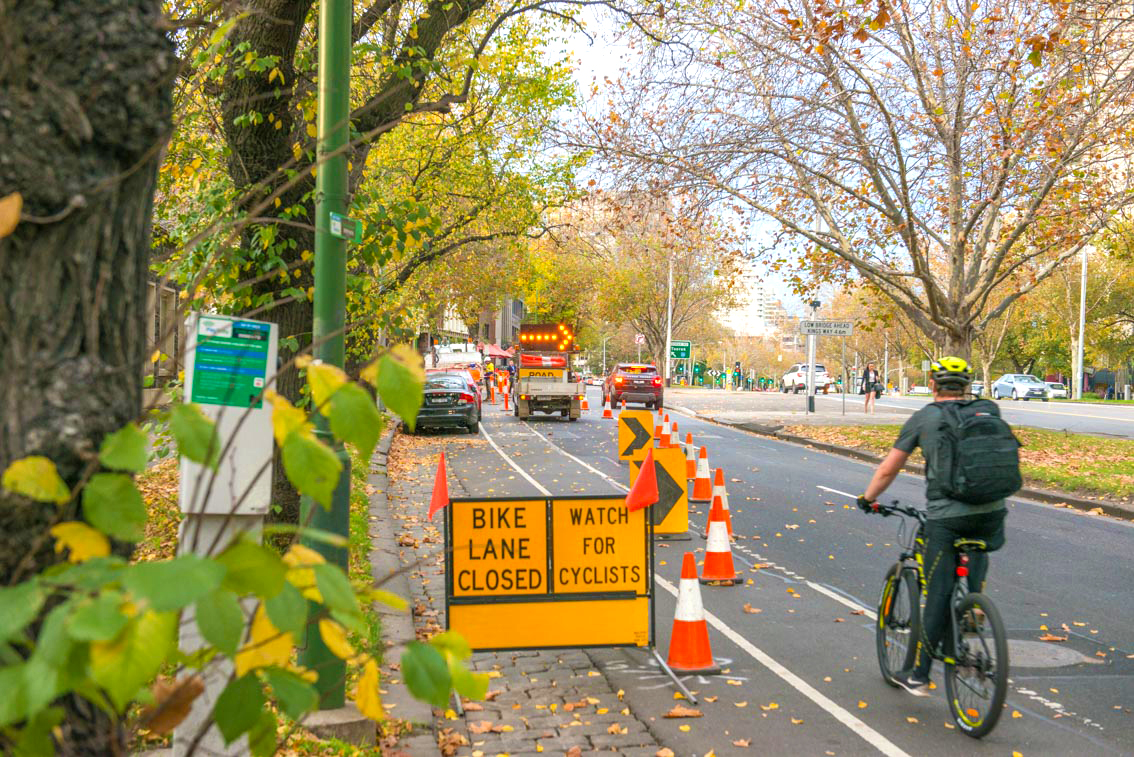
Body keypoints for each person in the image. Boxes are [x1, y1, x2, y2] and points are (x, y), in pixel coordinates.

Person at [857, 357, 1008, 696]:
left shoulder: (926, 417)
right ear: (967, 386)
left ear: (934, 384)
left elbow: (887, 471)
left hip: (948, 517)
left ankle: (919, 675)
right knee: (976, 546)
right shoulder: (989, 411)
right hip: (993, 514)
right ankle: (973, 604)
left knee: (938, 593)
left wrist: (868, 498)